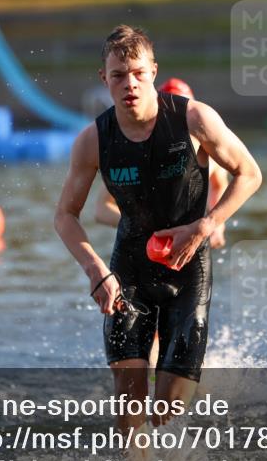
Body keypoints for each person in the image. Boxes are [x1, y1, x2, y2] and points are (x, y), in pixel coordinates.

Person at [54, 25, 261, 440]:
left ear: (152, 72)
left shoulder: (193, 118)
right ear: (104, 79)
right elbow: (65, 216)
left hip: (188, 269)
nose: (128, 84)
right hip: (128, 270)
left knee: (167, 409)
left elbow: (250, 174)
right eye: (117, 75)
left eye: (137, 73)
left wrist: (206, 225)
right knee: (128, 404)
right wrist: (95, 270)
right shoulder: (93, 140)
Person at [93, 78, 230, 370]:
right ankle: (153, 367)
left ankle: (178, 367)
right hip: (144, 250)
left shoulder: (201, 138)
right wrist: (143, 226)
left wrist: (214, 225)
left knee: (184, 318)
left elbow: (220, 185)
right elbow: (100, 209)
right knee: (145, 325)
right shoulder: (133, 151)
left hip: (188, 243)